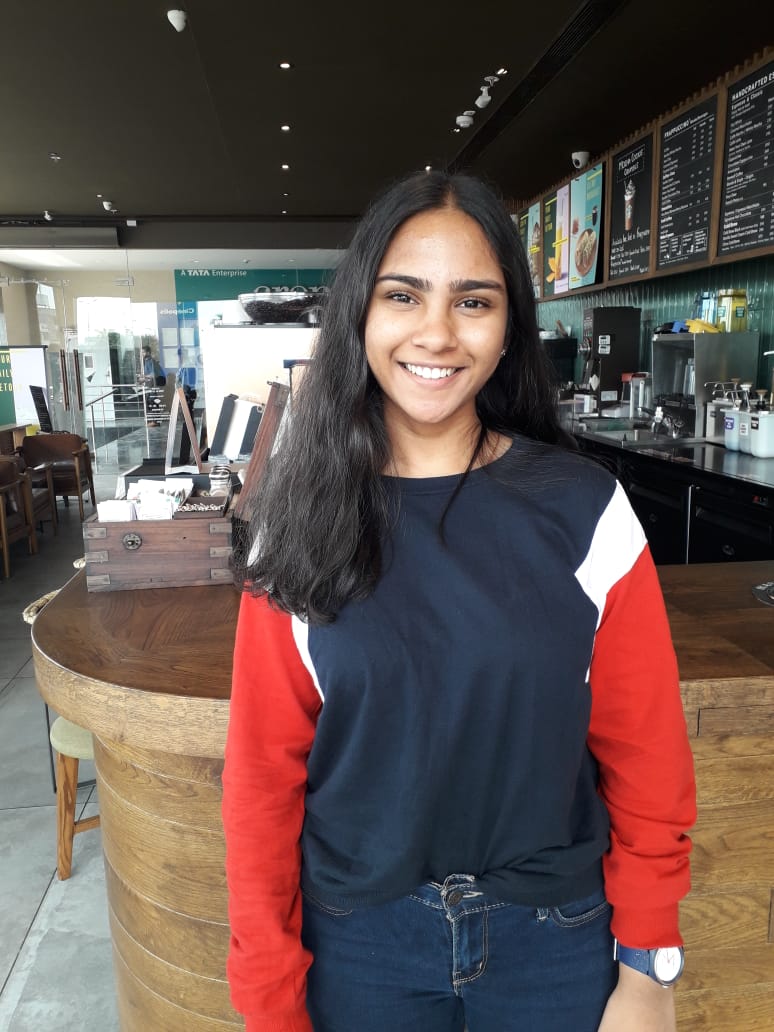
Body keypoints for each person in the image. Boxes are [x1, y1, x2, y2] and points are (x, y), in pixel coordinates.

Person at [221, 171, 696, 1032]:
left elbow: (648, 754)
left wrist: (649, 969)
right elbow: (260, 787)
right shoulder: (295, 523)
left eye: (472, 301)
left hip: (557, 940)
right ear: (361, 313)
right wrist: (268, 1000)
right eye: (404, 295)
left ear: (510, 327)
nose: (436, 333)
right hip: (359, 948)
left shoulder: (587, 511)